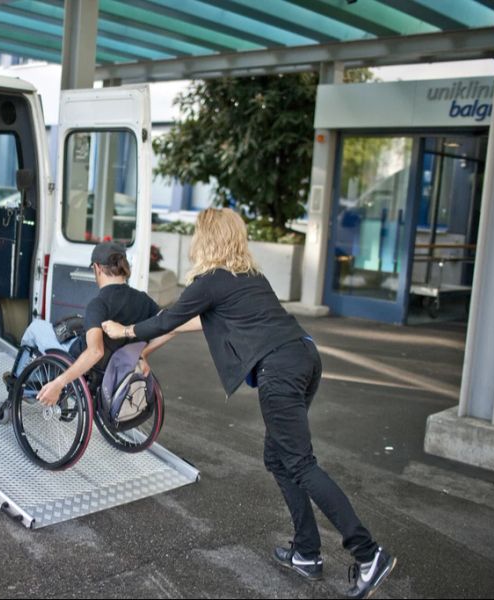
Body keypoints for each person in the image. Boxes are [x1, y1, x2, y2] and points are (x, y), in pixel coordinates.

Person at [103, 208, 396, 599]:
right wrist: (151, 345)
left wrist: (124, 330)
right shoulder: (248, 277)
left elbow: (167, 317)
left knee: (300, 463)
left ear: (205, 238)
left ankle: (368, 552)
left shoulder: (210, 280)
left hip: (280, 372)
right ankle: (307, 552)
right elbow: (189, 321)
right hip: (304, 358)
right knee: (279, 458)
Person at [28, 241, 159, 406]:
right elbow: (168, 326)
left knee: (36, 328)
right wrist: (143, 354)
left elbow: (95, 351)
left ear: (97, 268)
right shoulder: (144, 300)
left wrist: (59, 383)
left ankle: (25, 386)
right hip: (115, 366)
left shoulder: (98, 304)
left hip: (80, 359)